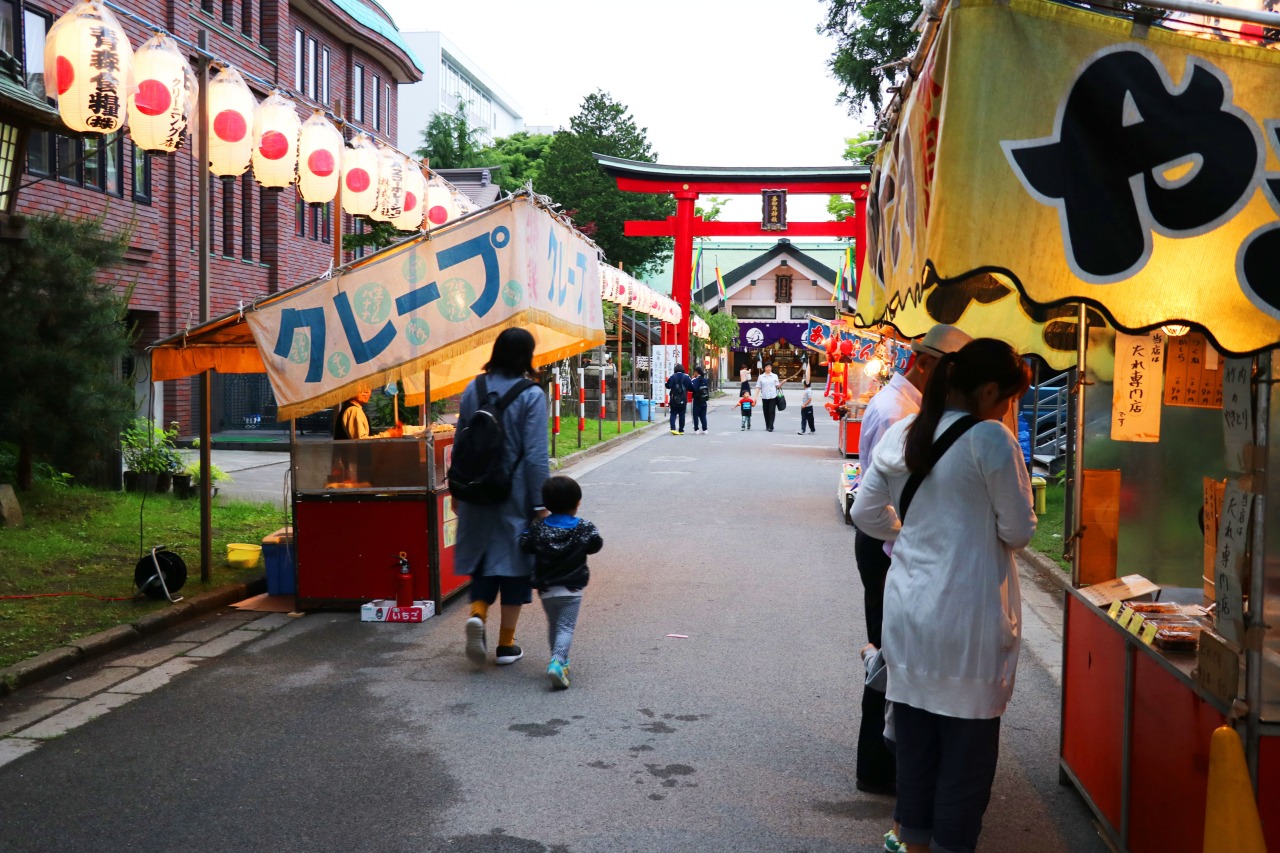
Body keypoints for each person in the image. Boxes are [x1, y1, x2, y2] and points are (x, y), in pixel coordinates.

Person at [850, 338, 1035, 853]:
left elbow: (864, 516)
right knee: (967, 754)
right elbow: (1018, 531)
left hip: (909, 607)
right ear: (991, 390)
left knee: (915, 743)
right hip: (968, 614)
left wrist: (909, 531)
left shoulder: (905, 432)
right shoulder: (991, 441)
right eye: (1007, 400)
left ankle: (912, 842)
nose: (1004, 410)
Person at [852, 323, 973, 799]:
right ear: (924, 363)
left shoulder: (914, 407)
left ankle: (889, 762)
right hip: (885, 545)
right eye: (949, 372)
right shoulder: (896, 413)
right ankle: (879, 766)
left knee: (895, 652)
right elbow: (875, 502)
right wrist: (912, 534)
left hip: (889, 542)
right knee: (889, 657)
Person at [458, 328, 550, 668]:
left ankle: (478, 615)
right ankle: (506, 645)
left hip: (475, 489)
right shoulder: (531, 394)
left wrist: (458, 491)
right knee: (514, 567)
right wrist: (540, 505)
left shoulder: (473, 388)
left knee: (484, 558)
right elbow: (536, 456)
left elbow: (460, 441)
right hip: (514, 494)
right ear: (526, 356)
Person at [519, 475, 604, 689]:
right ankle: (557, 662)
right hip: (572, 588)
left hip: (547, 588)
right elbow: (596, 545)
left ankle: (560, 660)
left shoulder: (538, 528)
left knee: (555, 625)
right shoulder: (584, 527)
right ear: (577, 503)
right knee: (566, 626)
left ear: (546, 503)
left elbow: (524, 544)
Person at [666, 365, 693, 435]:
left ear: (675, 370)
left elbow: (668, 386)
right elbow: (691, 388)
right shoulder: (686, 377)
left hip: (674, 399)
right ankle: (681, 430)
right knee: (682, 414)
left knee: (673, 413)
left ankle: (673, 428)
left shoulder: (672, 377)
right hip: (683, 399)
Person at [756, 362, 782, 431]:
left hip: (773, 396)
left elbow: (777, 386)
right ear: (764, 368)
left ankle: (771, 426)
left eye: (770, 367)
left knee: (772, 411)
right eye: (767, 367)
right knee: (766, 411)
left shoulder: (774, 376)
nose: (768, 368)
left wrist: (782, 382)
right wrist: (755, 397)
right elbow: (758, 387)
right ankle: (767, 425)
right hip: (764, 397)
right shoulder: (761, 377)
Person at [690, 366, 710, 434]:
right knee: (703, 415)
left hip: (697, 399)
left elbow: (692, 388)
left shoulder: (695, 380)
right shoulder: (705, 380)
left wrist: (692, 379)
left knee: (695, 415)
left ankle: (696, 429)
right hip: (704, 399)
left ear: (696, 372)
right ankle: (705, 429)